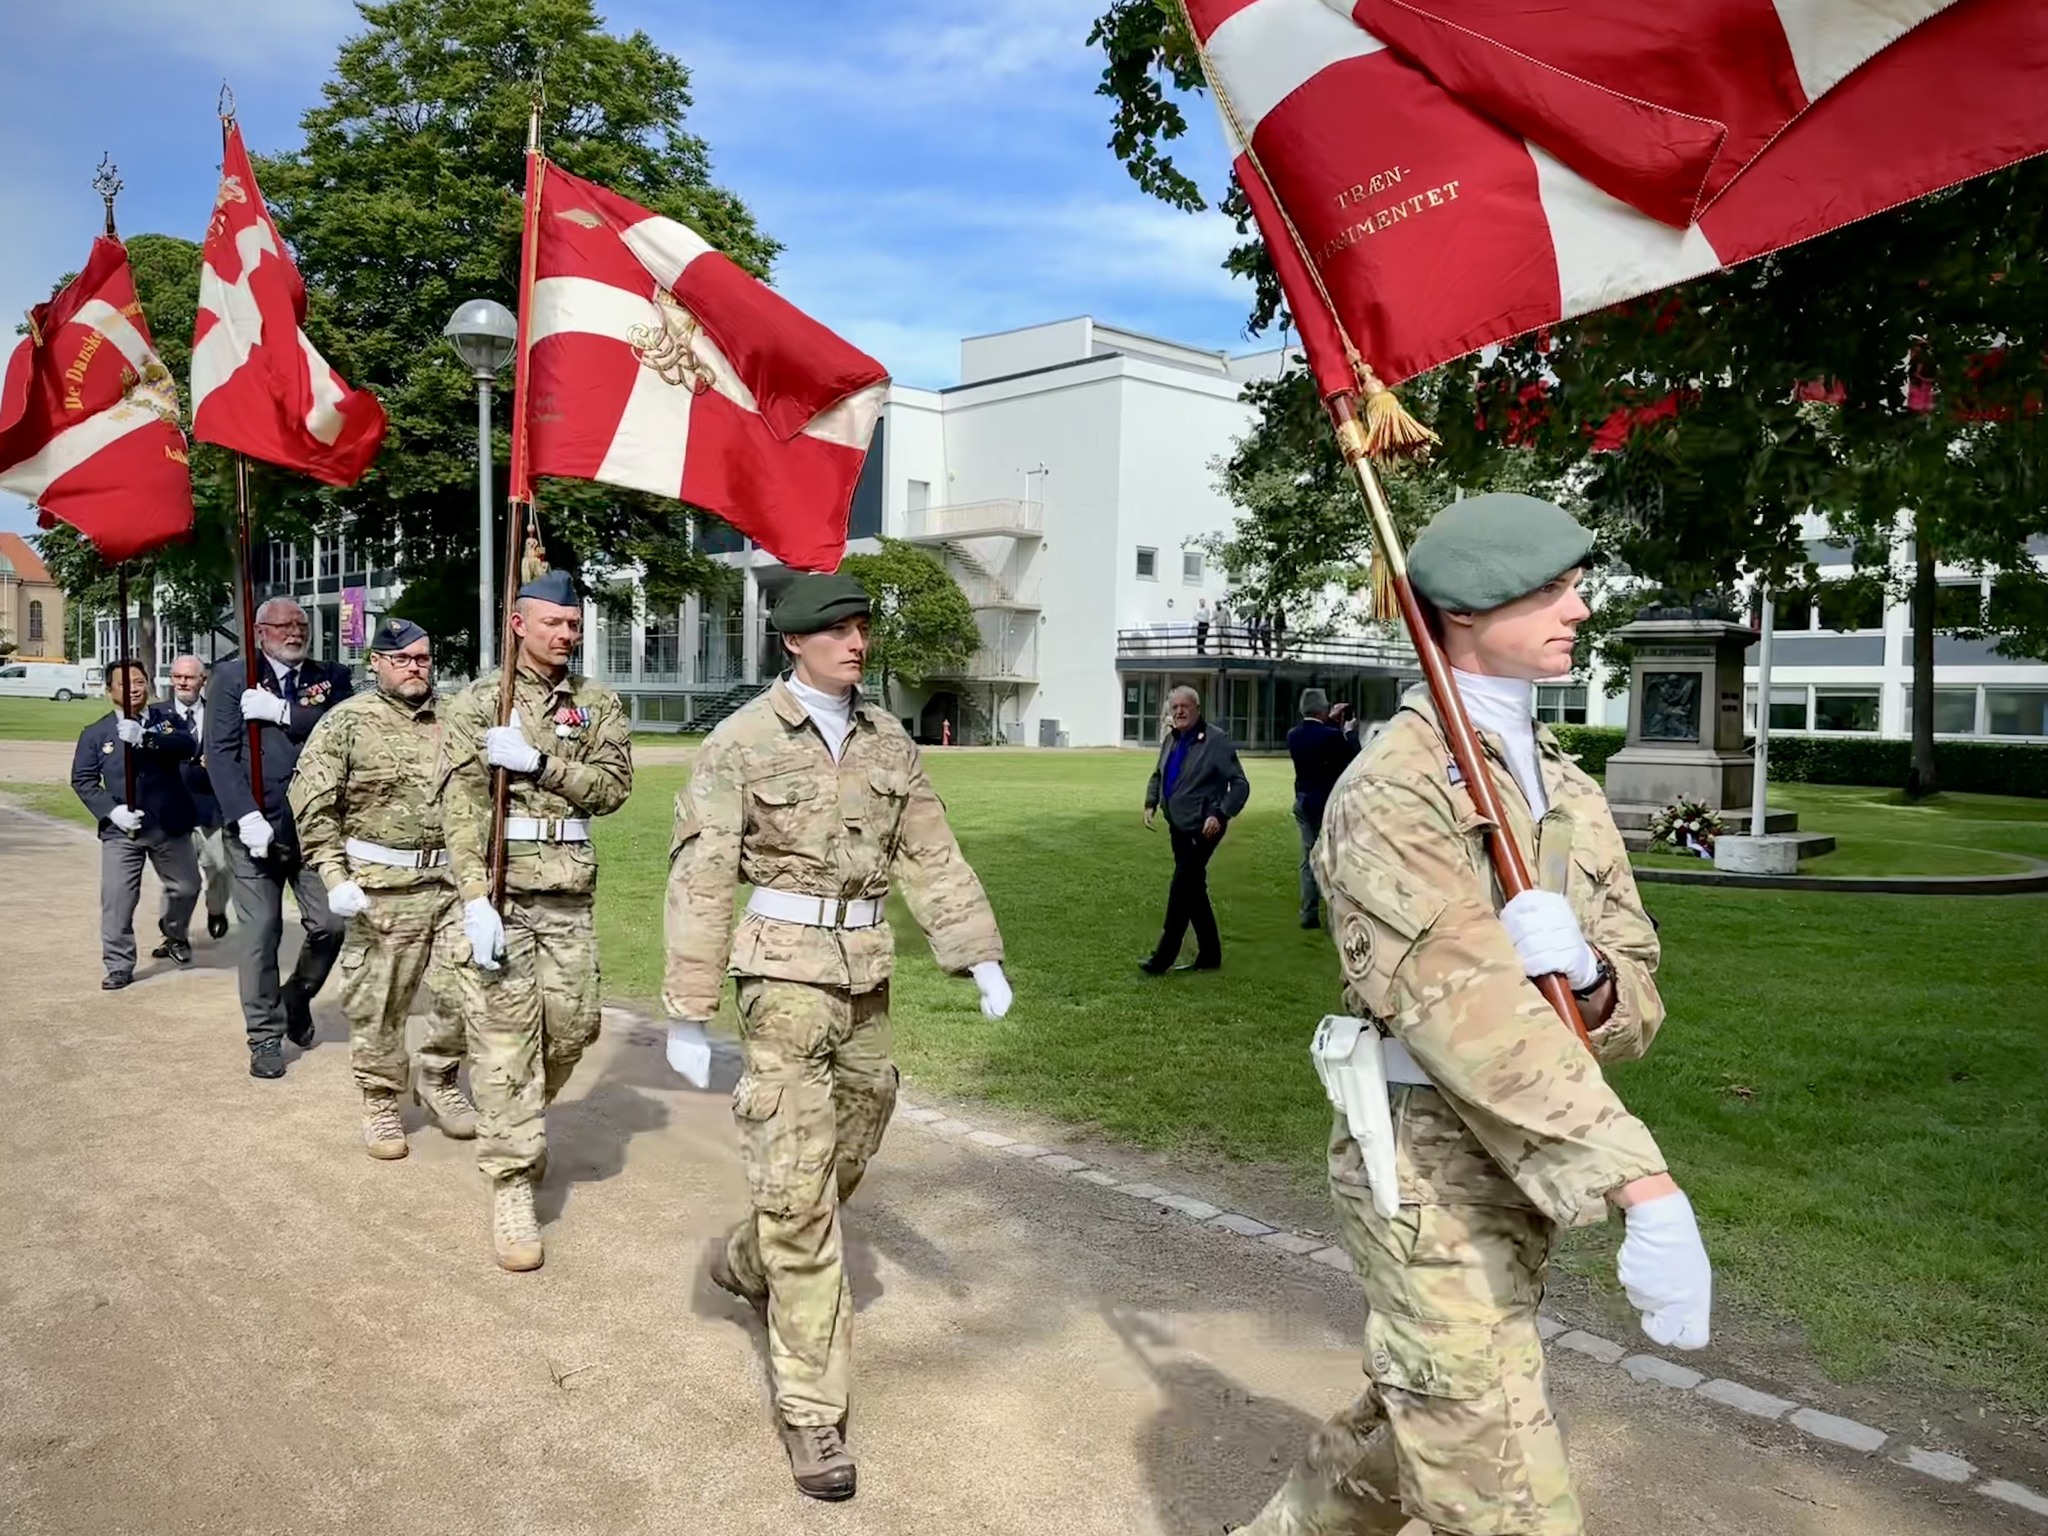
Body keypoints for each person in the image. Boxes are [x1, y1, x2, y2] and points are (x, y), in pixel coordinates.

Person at [1235, 493, 1712, 1536]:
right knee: (1497, 1478)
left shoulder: (1564, 785)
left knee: (1420, 1416)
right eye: (1549, 590)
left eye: (1574, 586)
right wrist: (1643, 1185)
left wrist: (1588, 973)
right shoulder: (1393, 788)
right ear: (1462, 610)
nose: (1579, 608)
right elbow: (1465, 1015)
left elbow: (1634, 999)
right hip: (1426, 1166)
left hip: (1523, 1156)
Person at [665, 572, 1010, 1503]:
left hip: (866, 977)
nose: (857, 643)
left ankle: (748, 1258)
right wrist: (690, 1008)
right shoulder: (740, 743)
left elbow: (930, 853)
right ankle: (813, 1410)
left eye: (862, 628)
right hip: (781, 979)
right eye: (838, 630)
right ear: (794, 641)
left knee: (858, 1129)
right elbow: (702, 878)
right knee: (799, 1187)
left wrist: (977, 955)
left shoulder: (887, 738)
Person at [441, 569, 632, 1273]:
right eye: (554, 622)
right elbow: (461, 807)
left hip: (568, 895)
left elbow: (613, 788)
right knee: (503, 1045)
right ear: (518, 623)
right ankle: (512, 1181)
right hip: (503, 895)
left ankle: (518, 1113)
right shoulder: (478, 703)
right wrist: (473, 898)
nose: (566, 634)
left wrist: (540, 763)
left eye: (574, 624)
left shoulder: (596, 703)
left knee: (575, 1028)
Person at [288, 619, 477, 1160]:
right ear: (376, 663)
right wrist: (333, 876)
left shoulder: (458, 719)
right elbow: (314, 805)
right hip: (381, 888)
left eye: (423, 658)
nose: (415, 667)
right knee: (381, 1000)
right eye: (402, 659)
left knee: (465, 986)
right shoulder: (346, 721)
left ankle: (439, 1079)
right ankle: (380, 1100)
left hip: (453, 882)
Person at [208, 599, 355, 1079]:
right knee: (260, 933)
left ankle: (297, 995)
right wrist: (245, 815)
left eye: (301, 625)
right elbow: (220, 755)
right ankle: (264, 1035)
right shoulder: (233, 678)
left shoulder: (331, 675)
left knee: (331, 924)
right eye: (283, 626)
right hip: (255, 831)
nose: (294, 633)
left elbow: (342, 727)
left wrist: (283, 712)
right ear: (259, 632)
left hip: (315, 829)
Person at [70, 660, 202, 990]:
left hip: (168, 823)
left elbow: (186, 746)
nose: (134, 689)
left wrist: (146, 737)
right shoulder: (95, 733)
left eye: (140, 681)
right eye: (125, 684)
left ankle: (173, 932)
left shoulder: (166, 719)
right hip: (122, 830)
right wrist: (112, 811)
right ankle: (119, 964)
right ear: (109, 690)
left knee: (187, 887)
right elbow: (83, 779)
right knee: (118, 899)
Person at [1140, 685, 1249, 974]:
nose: (1179, 712)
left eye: (1184, 706)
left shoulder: (1216, 740)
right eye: (1174, 707)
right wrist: (1151, 802)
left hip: (1204, 827)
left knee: (1181, 888)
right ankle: (1210, 955)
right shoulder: (1171, 739)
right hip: (1178, 825)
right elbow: (1158, 774)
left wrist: (1220, 814)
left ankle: (1162, 958)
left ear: (1197, 709)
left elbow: (1240, 784)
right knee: (1194, 888)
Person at [166, 654, 231, 942]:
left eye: (189, 677)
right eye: (178, 677)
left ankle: (216, 909)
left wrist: (217, 761)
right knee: (177, 878)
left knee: (219, 868)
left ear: (202, 680)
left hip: (210, 808)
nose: (182, 682)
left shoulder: (218, 715)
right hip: (172, 810)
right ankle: (173, 935)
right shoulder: (157, 715)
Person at [1286, 688, 1360, 930]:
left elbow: (1318, 737)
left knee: (1308, 858)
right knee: (1332, 859)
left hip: (1303, 801)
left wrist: (1331, 721)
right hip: (1326, 804)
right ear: (1323, 709)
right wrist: (1350, 732)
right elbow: (1354, 758)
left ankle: (1308, 913)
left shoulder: (1293, 735)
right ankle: (1334, 915)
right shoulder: (1333, 737)